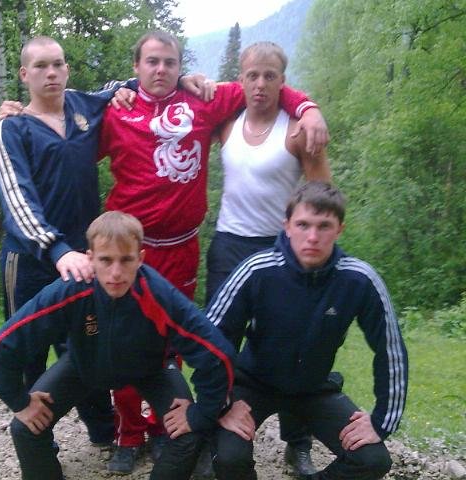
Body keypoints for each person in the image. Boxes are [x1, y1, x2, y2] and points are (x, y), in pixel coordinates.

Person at [98, 30, 329, 475]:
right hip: (130, 250)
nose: (161, 69)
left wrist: (307, 107)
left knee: (177, 342)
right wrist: (25, 114)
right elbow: (68, 133)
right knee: (123, 338)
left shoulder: (203, 101)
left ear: (180, 66)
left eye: (170, 62)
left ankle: (170, 428)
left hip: (184, 246)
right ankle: (128, 433)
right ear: (136, 67)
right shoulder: (116, 110)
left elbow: (264, 86)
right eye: (151, 62)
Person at [0, 211, 236, 480]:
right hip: (83, 366)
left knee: (189, 434)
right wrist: (20, 401)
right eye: (106, 260)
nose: (116, 273)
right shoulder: (72, 289)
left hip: (151, 369)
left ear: (140, 259)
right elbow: (4, 344)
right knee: (25, 428)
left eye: (126, 260)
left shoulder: (158, 294)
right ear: (90, 258)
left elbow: (218, 355)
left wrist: (200, 414)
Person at [206, 181, 408, 480]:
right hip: (252, 384)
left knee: (372, 460)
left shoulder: (359, 279)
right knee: (228, 458)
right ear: (287, 226)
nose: (312, 237)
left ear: (339, 229)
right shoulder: (256, 270)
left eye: (324, 226)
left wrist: (380, 422)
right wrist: (224, 405)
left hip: (313, 387)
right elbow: (211, 340)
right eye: (303, 224)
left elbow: (391, 351)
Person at [205, 41, 331, 475]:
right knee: (218, 342)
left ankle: (298, 442)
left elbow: (322, 196)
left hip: (280, 248)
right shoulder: (227, 123)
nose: (260, 84)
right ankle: (213, 431)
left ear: (283, 81)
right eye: (252, 75)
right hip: (229, 245)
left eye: (270, 76)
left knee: (292, 342)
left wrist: (313, 249)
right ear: (240, 79)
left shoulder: (297, 131)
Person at [0, 35, 123, 447]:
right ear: (24, 74)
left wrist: (187, 81)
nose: (51, 73)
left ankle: (105, 433)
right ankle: (36, 438)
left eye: (58, 64)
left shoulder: (84, 106)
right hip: (29, 261)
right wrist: (55, 248)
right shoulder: (11, 129)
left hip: (82, 259)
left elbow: (125, 86)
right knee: (28, 350)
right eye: (41, 66)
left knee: (89, 342)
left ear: (66, 69)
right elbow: (17, 200)